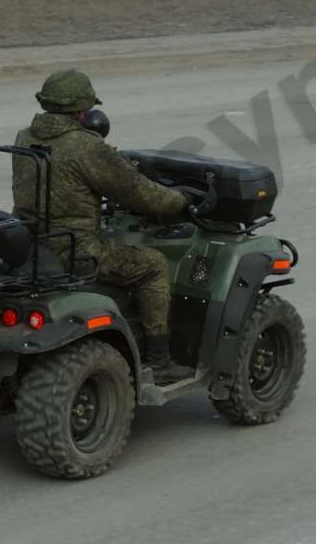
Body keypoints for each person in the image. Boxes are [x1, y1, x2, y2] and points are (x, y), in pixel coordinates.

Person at [10, 69, 202, 387]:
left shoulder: (24, 136)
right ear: (83, 111)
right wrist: (180, 201)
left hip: (31, 242)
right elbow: (138, 192)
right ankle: (160, 363)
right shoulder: (85, 146)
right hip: (77, 251)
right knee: (153, 265)